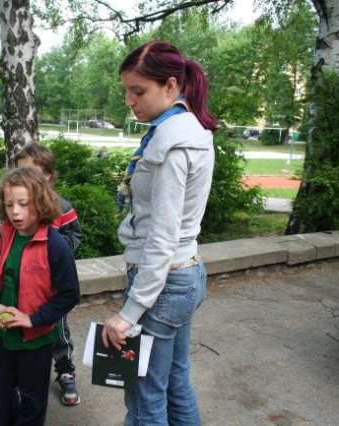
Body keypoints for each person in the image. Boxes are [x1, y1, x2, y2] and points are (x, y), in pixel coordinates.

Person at [101, 40, 218, 426]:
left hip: (163, 282)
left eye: (138, 91)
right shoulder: (189, 129)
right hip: (184, 275)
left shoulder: (170, 142)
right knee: (174, 379)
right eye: (126, 92)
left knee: (145, 394)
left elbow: (162, 238)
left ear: (170, 86)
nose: (129, 101)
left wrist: (130, 311)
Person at [0, 167, 80, 425]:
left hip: (37, 340)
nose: (15, 211)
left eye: (23, 204)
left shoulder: (54, 244)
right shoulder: (4, 235)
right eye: (9, 204)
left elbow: (70, 294)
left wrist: (33, 319)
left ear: (40, 202)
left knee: (32, 398)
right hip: (6, 336)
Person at [14, 142, 84, 406]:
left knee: (57, 329)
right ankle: (24, 378)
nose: (25, 179)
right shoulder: (15, 209)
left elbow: (75, 234)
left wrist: (54, 255)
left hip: (52, 287)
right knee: (24, 328)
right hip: (23, 286)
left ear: (48, 176)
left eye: (32, 172)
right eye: (20, 172)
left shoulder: (60, 207)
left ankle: (65, 370)